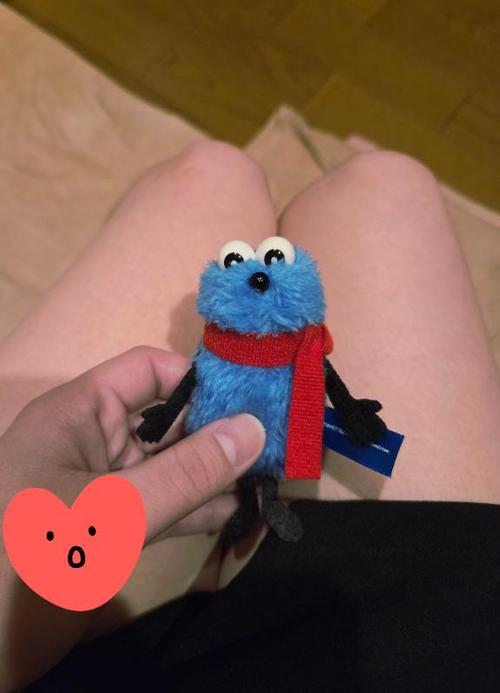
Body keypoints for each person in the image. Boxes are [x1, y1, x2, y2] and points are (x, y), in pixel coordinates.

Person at [0, 141, 499, 691]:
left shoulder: (293, 351)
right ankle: (244, 512)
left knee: (212, 171)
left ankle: (255, 507)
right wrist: (164, 420)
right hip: (413, 608)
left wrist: (353, 414)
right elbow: (189, 384)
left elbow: (309, 381)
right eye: (240, 262)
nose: (258, 276)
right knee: (388, 180)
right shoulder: (237, 351)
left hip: (102, 647)